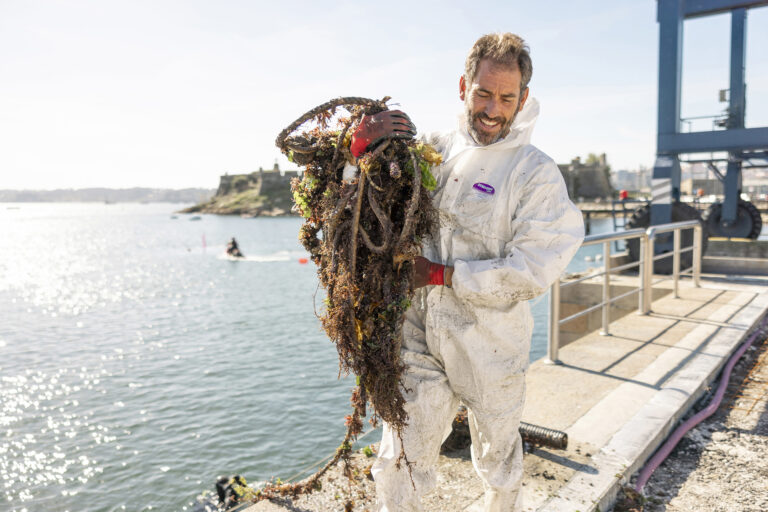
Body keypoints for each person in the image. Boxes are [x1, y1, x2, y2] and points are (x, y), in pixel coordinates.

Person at [349, 33, 584, 511]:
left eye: (506, 97)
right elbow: (368, 207)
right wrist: (360, 156)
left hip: (492, 345)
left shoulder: (534, 173)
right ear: (462, 86)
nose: (493, 109)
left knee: (498, 458)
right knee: (401, 459)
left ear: (523, 100)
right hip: (420, 336)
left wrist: (441, 274)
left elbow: (534, 269)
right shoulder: (431, 151)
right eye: (483, 93)